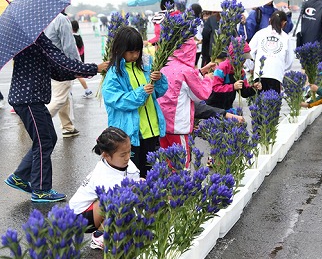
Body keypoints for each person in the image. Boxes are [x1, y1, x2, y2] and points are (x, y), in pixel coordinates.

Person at [3, 32, 108, 202]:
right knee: (44, 142)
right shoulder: (36, 37)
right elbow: (61, 61)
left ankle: (20, 176)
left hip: (31, 99)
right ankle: (41, 190)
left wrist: (83, 72)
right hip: (29, 100)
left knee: (49, 138)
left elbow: (57, 71)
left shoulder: (29, 39)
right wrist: (94, 68)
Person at [102, 26, 168, 179]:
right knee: (133, 175)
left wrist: (159, 79)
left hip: (151, 130)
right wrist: (141, 92)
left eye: (138, 51)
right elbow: (117, 100)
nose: (135, 55)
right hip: (130, 134)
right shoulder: (114, 73)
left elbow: (158, 92)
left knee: (151, 174)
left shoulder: (145, 67)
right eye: (131, 51)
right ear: (120, 50)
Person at [69, 127, 140, 251]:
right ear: (106, 155)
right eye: (123, 154)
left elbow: (135, 180)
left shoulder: (126, 164)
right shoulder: (103, 175)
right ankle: (99, 235)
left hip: (94, 211)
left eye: (129, 151)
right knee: (117, 198)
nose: (128, 157)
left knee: (127, 193)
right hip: (80, 216)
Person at [158, 38, 215, 168]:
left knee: (166, 164)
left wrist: (200, 72)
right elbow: (200, 94)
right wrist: (208, 79)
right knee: (181, 165)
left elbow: (183, 86)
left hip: (162, 123)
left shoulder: (165, 65)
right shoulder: (186, 71)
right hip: (178, 126)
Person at [45, 12, 82, 138]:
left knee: (64, 97)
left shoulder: (43, 18)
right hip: (61, 65)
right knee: (60, 98)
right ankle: (38, 122)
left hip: (47, 64)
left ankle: (67, 127)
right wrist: (77, 66)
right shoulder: (60, 19)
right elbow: (69, 45)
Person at [206, 37, 262, 110]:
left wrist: (254, 88)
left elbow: (244, 92)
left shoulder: (241, 72)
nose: (244, 61)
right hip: (214, 106)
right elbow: (216, 88)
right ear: (234, 56)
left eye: (245, 59)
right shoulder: (221, 68)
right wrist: (233, 87)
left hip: (228, 107)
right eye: (242, 59)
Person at [249, 11, 294, 94]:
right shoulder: (286, 37)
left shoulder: (260, 33)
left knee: (260, 101)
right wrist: (282, 68)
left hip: (260, 73)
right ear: (284, 23)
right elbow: (290, 60)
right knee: (273, 103)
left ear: (269, 20)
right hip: (276, 74)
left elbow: (249, 51)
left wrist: (252, 66)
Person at [71, 20, 94, 98]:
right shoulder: (79, 36)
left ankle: (88, 90)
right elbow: (82, 50)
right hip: (80, 59)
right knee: (74, 76)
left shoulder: (73, 37)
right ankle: (69, 92)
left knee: (78, 76)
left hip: (75, 60)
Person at [191, 3, 203, 68]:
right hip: (199, 45)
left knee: (192, 64)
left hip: (192, 45)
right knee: (195, 64)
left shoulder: (189, 21)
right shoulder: (201, 21)